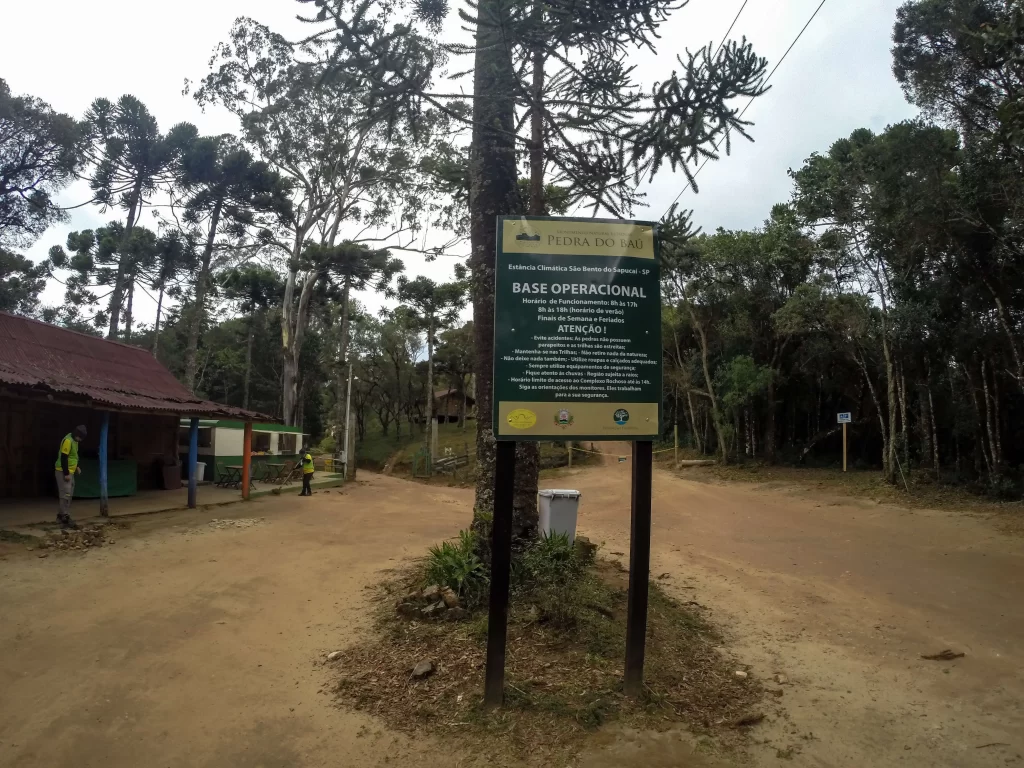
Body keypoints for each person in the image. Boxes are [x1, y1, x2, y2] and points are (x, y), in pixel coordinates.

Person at [55, 425, 87, 529]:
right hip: (63, 471)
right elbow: (64, 457)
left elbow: (73, 456)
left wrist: (76, 466)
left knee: (70, 492)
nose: (80, 440)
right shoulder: (68, 440)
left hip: (70, 471)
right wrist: (66, 473)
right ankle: (64, 517)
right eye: (80, 437)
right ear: (77, 434)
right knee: (65, 493)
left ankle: (62, 515)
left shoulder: (75, 441)